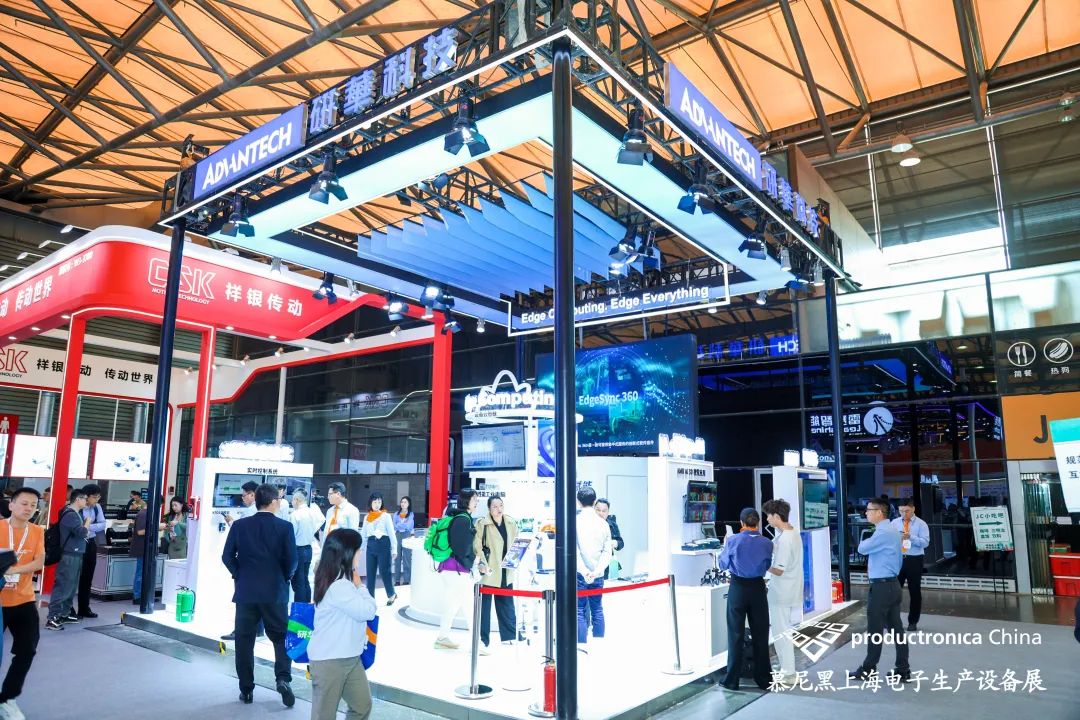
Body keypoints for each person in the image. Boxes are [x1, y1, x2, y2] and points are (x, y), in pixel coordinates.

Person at [221, 483, 298, 707]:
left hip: (246, 592)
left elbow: (227, 556)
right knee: (281, 638)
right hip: (274, 592)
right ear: (273, 502)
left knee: (245, 641)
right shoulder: (284, 527)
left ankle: (246, 690)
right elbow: (292, 561)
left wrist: (239, 575)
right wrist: (284, 577)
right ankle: (283, 679)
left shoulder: (240, 525)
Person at [308, 528, 378, 720]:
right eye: (358, 549)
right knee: (324, 715)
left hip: (350, 657)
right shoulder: (339, 584)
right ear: (347, 553)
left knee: (362, 706)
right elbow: (368, 611)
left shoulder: (338, 576)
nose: (360, 553)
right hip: (330, 660)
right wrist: (360, 586)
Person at [851, 498, 911, 682]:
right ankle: (903, 669)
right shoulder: (892, 530)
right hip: (892, 585)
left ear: (879, 513)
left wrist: (867, 539)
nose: (866, 513)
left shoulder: (883, 532)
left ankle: (868, 669)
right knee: (896, 629)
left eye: (869, 510)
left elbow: (862, 548)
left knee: (875, 629)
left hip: (881, 588)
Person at [0, 488, 46, 718]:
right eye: (24, 503)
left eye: (33, 505)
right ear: (11, 505)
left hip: (24, 599)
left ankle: (7, 698)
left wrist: (13, 570)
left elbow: (39, 561)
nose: (29, 508)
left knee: (27, 650)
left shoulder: (37, 531)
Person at [717, 507, 774, 691]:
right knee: (761, 633)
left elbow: (723, 564)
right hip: (758, 588)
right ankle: (764, 679)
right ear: (758, 522)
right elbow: (767, 564)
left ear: (741, 523)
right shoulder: (767, 543)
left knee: (735, 633)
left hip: (738, 588)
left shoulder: (733, 540)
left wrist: (725, 547)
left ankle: (732, 680)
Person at [763, 498, 803, 684]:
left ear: (777, 516)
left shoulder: (786, 538)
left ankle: (788, 673)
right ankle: (787, 668)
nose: (767, 520)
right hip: (789, 587)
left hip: (782, 591)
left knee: (781, 632)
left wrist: (762, 565)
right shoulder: (791, 532)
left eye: (769, 516)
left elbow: (779, 569)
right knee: (783, 630)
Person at [435, 488, 478, 650]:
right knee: (469, 607)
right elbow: (461, 548)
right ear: (466, 501)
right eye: (474, 500)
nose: (476, 503)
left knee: (453, 605)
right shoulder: (463, 520)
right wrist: (471, 561)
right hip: (457, 570)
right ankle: (476, 644)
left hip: (450, 568)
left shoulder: (456, 517)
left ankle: (442, 638)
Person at [474, 496, 519, 650]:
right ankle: (483, 639)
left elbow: (516, 542)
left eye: (501, 505)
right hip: (489, 570)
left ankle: (509, 636)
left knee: (507, 605)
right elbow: (477, 546)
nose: (499, 509)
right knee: (484, 609)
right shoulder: (482, 524)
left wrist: (516, 557)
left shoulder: (511, 522)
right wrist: (482, 564)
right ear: (489, 508)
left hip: (506, 570)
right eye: (495, 506)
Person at [45, 488, 89, 630]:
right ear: (78, 499)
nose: (86, 502)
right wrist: (87, 523)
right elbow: (82, 532)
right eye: (84, 499)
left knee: (71, 586)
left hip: (75, 553)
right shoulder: (71, 515)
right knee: (63, 585)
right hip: (69, 554)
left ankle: (64, 613)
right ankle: (53, 617)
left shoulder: (73, 513)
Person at [575, 486, 612, 646]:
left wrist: (584, 572)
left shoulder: (575, 521)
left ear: (578, 501)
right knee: (597, 609)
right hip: (598, 575)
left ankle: (581, 647)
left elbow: (574, 551)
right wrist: (597, 571)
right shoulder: (603, 524)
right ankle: (599, 647)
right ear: (594, 501)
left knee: (579, 610)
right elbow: (607, 552)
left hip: (579, 574)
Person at [892, 497, 930, 631]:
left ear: (913, 509)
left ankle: (913, 621)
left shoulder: (921, 524)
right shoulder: (894, 523)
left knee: (914, 591)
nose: (904, 514)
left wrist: (910, 537)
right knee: (894, 592)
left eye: (907, 511)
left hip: (914, 559)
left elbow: (925, 542)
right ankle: (893, 621)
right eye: (901, 511)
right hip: (898, 559)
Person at [360, 492, 397, 606]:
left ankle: (391, 594)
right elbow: (363, 534)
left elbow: (391, 534)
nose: (377, 504)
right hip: (371, 545)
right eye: (375, 502)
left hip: (383, 545)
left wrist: (394, 549)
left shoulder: (386, 516)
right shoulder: (367, 517)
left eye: (379, 502)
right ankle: (370, 598)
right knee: (370, 573)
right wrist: (360, 548)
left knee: (384, 571)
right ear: (370, 503)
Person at [76, 483, 106, 618]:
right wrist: (87, 527)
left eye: (98, 497)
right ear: (86, 496)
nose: (97, 500)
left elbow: (103, 524)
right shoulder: (77, 507)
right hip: (77, 543)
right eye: (95, 497)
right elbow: (77, 527)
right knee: (73, 577)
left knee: (87, 577)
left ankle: (84, 608)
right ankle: (68, 610)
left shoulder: (97, 507)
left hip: (91, 543)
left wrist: (88, 527)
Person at [290, 489, 322, 603]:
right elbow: (320, 522)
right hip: (308, 549)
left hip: (298, 549)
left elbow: (291, 535)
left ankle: (300, 610)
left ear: (297, 500)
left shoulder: (295, 514)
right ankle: (307, 606)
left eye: (292, 500)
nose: (292, 503)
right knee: (305, 579)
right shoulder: (312, 512)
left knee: (298, 581)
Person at [595, 498, 624, 578]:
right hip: (590, 564)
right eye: (598, 510)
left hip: (606, 564)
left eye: (604, 511)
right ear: (594, 509)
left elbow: (621, 543)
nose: (601, 513)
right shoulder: (587, 523)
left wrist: (614, 543)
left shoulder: (612, 524)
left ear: (608, 512)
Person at [393, 496, 414, 586]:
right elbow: (394, 526)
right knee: (397, 558)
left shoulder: (411, 514)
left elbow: (408, 526)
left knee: (407, 558)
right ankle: (397, 580)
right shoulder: (396, 514)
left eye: (405, 502)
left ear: (408, 504)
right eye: (402, 502)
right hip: (397, 535)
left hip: (407, 535)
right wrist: (402, 525)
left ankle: (406, 580)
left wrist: (399, 524)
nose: (403, 504)